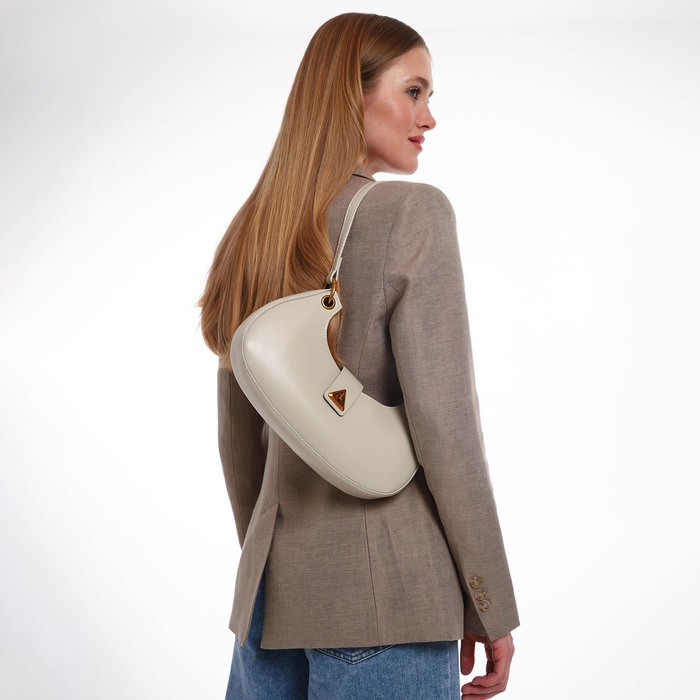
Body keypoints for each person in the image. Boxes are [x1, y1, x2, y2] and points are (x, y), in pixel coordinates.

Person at [199, 12, 519, 699]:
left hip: (266, 605)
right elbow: (447, 429)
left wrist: (274, 565)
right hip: (390, 597)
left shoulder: (253, 231)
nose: (428, 117)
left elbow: (237, 436)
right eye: (414, 91)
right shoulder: (412, 214)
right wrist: (488, 602)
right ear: (352, 94)